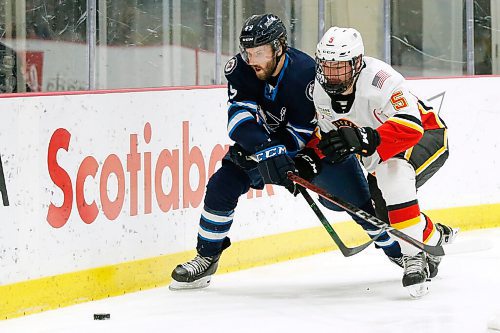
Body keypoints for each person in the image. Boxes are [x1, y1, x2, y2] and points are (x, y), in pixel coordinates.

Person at [169, 14, 403, 290]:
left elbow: (304, 131)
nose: (252, 59)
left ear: (279, 47)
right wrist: (262, 147)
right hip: (266, 147)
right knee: (223, 184)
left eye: (260, 52)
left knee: (363, 209)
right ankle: (206, 257)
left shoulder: (306, 73)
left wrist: (273, 149)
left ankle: (403, 253)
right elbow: (238, 118)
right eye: (248, 51)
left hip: (319, 152)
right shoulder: (240, 69)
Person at [314, 26, 458, 297]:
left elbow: (411, 128)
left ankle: (414, 258)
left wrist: (365, 137)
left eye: (340, 66)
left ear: (357, 63)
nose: (332, 74)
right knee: (385, 213)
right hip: (381, 153)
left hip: (425, 135)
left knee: (394, 175)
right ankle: (435, 235)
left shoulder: (382, 80)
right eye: (327, 66)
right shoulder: (319, 92)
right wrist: (312, 158)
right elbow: (329, 137)